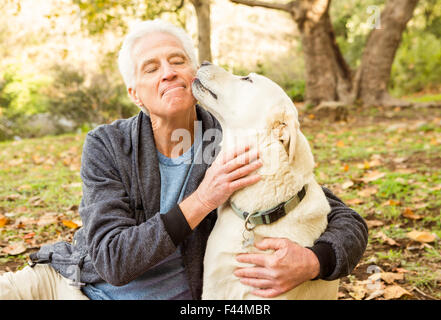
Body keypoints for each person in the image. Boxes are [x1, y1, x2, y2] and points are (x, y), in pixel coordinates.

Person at [0, 19, 368, 300]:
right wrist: (205, 198)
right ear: (135, 94)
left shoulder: (232, 139)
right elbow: (113, 261)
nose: (169, 72)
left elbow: (340, 215)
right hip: (72, 287)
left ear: (194, 74)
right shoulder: (108, 145)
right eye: (151, 67)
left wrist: (314, 261)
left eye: (178, 60)